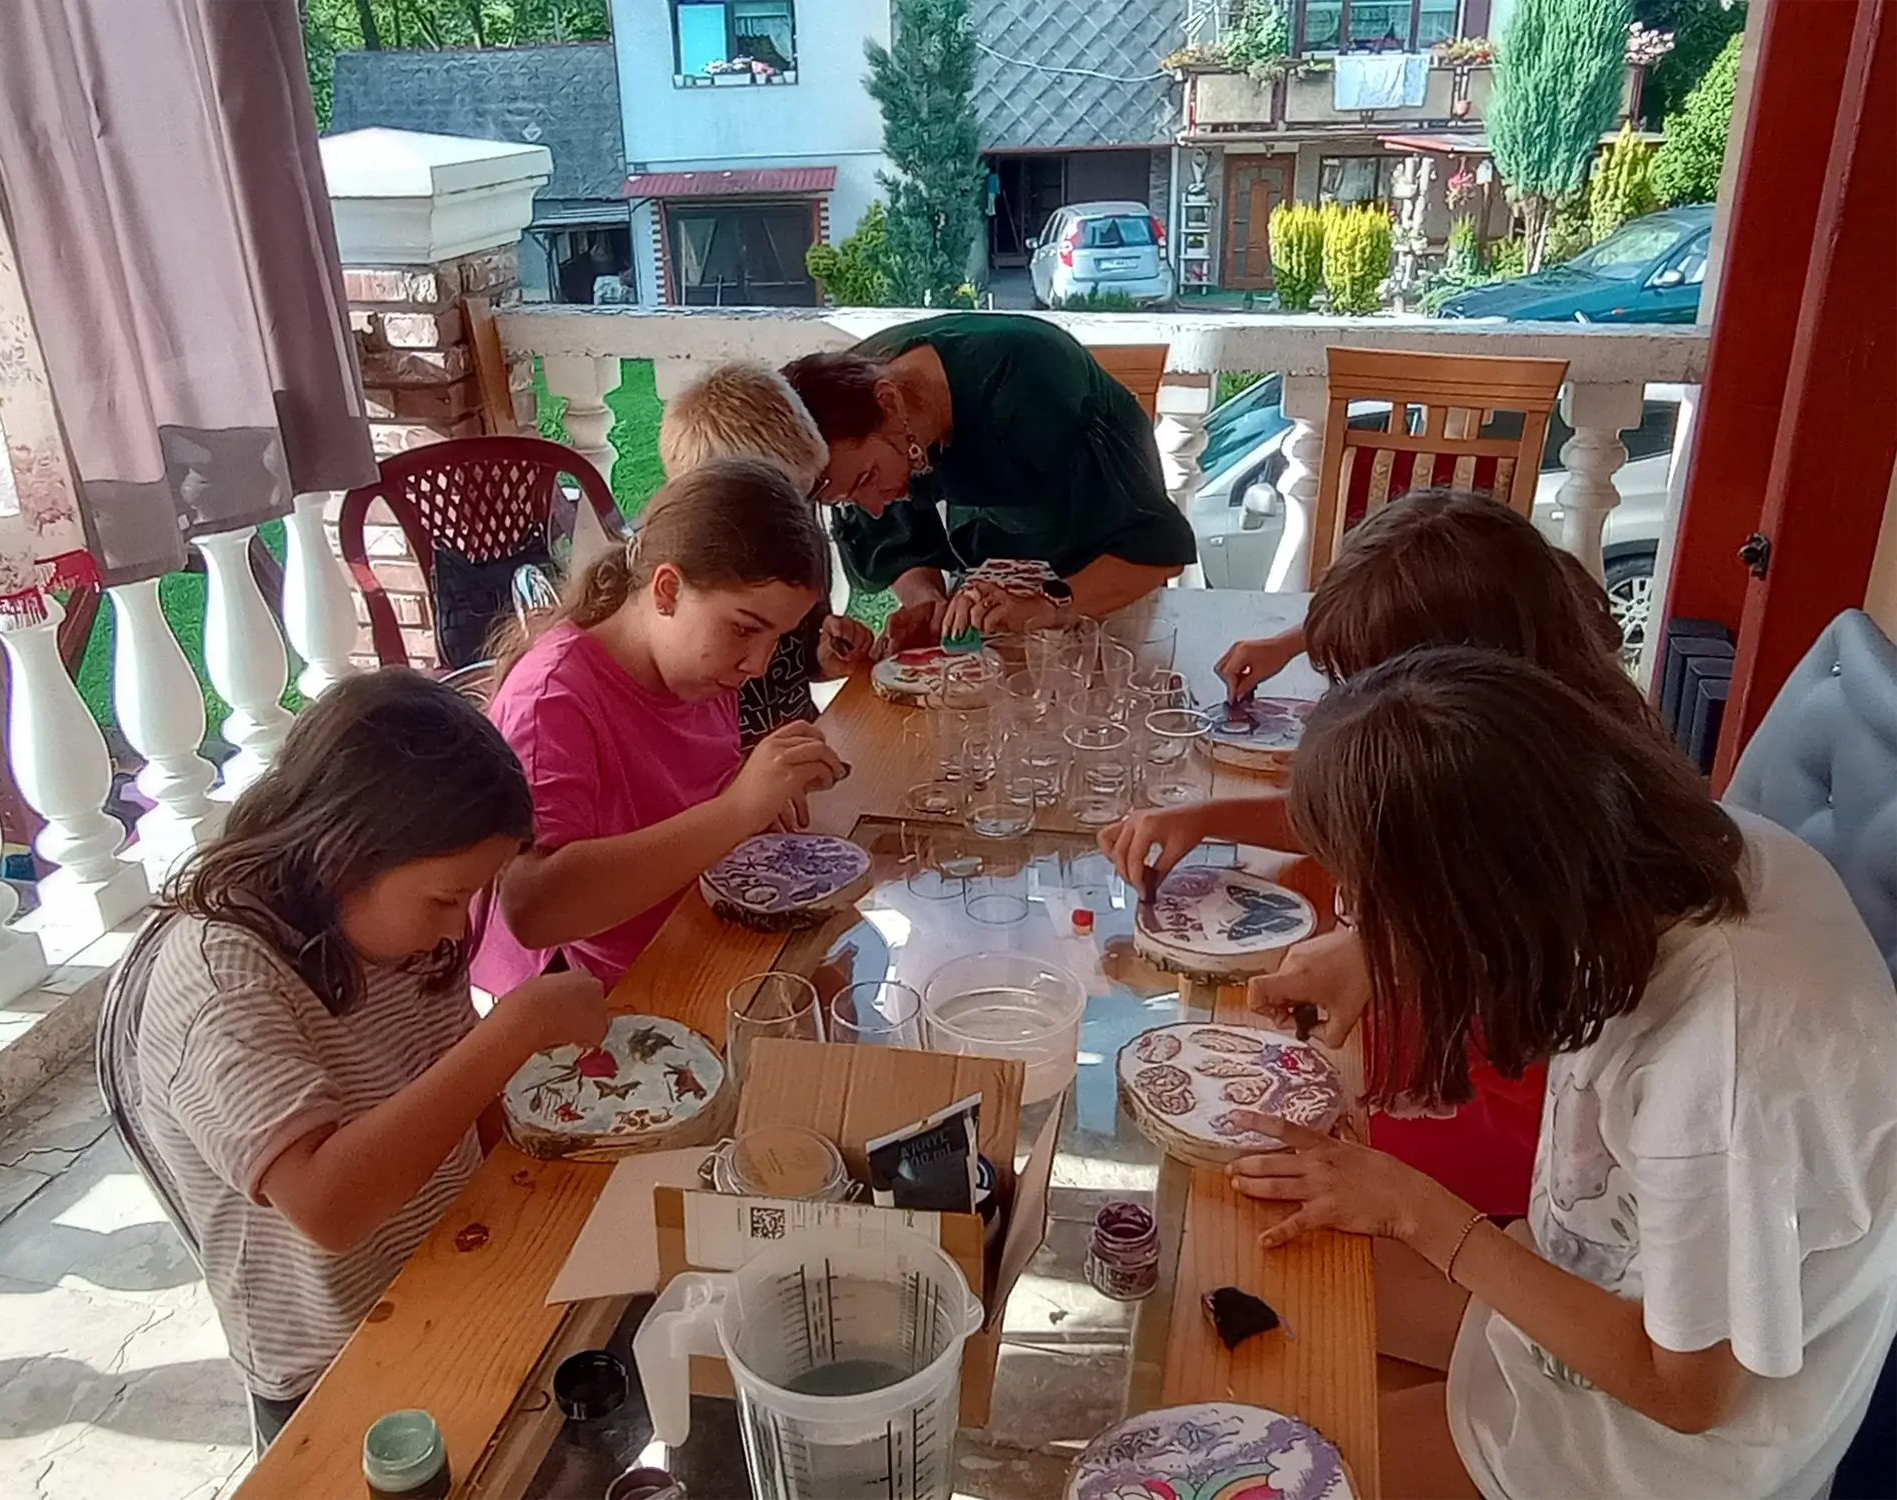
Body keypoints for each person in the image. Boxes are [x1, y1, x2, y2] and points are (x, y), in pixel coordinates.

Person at [1231, 647, 1897, 1500]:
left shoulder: (1726, 1077)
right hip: (1566, 1300)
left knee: (1244, 1473)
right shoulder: (1665, 855)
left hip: (1651, 1449)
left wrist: (1416, 1211)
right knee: (1248, 1268)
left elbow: (1687, 1395)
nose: (1359, 915)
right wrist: (1380, 954)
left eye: (1374, 902)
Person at [1100, 489, 1653, 1213]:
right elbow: (1379, 821)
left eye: (1360, 681)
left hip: (1492, 1152)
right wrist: (1213, 819)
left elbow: (1525, 1146)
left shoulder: (1565, 854)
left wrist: (1385, 964)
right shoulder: (1527, 760)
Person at [115, 671, 609, 1449]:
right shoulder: (219, 985)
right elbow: (329, 1205)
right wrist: (512, 1031)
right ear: (342, 852)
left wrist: (523, 1217)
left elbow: (465, 1089)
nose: (461, 927)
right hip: (332, 1369)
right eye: (446, 898)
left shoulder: (400, 930)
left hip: (451, 1271)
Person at [475, 457, 844, 993]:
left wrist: (755, 783)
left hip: (694, 936)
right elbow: (533, 910)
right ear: (667, 590)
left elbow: (676, 795)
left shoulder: (699, 671)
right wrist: (737, 808)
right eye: (745, 629)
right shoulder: (552, 699)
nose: (758, 665)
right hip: (598, 994)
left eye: (778, 639)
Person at [782, 313, 1196, 646]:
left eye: (867, 479)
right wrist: (928, 602)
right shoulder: (846, 417)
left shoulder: (1032, 385)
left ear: (889, 402)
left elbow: (1154, 553)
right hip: (999, 599)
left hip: (1106, 587)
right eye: (848, 499)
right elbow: (899, 542)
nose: (872, 507)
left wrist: (1046, 606)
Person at [657, 361, 873, 743]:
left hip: (802, 750)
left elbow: (791, 660)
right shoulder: (685, 598)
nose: (795, 520)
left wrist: (823, 655)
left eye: (802, 499)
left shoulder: (796, 542)